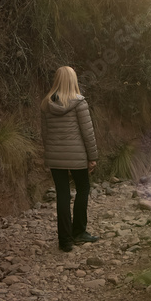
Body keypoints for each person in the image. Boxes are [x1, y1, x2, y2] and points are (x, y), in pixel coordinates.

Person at [40, 66, 100, 252]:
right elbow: (87, 134)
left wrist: (51, 154)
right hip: (77, 157)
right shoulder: (80, 103)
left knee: (63, 196)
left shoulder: (46, 104)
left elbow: (45, 134)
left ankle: (65, 241)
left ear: (56, 80)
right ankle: (79, 232)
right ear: (73, 80)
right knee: (83, 189)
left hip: (55, 158)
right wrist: (93, 157)